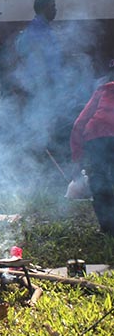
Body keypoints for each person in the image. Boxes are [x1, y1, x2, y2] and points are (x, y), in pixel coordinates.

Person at [70, 59, 114, 237]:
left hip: (96, 137)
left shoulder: (103, 90)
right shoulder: (103, 89)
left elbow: (79, 124)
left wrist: (77, 158)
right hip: (99, 136)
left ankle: (107, 228)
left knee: (100, 181)